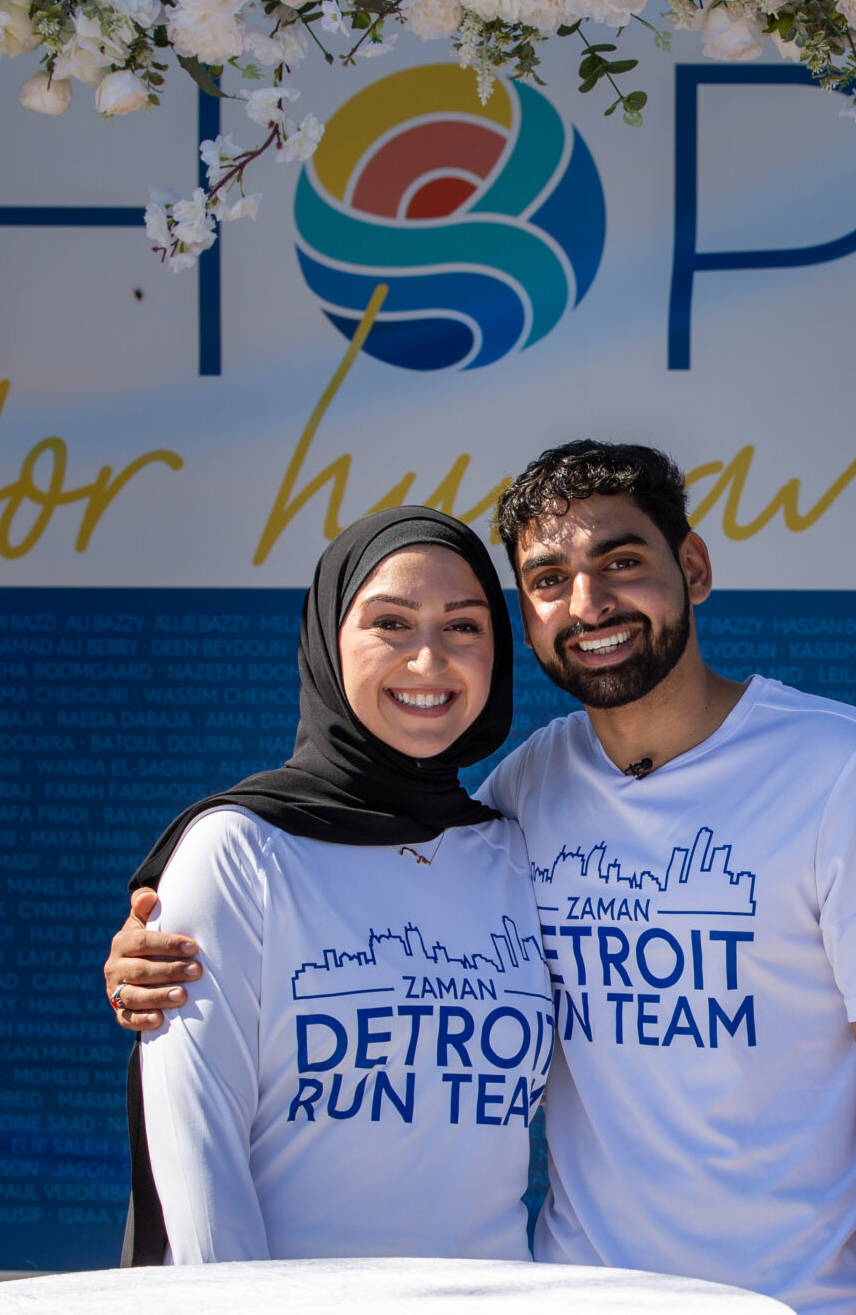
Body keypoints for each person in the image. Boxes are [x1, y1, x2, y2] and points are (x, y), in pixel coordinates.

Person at [106, 445, 856, 1315]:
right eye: (550, 580)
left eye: (623, 562)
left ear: (695, 567)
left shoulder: (851, 775)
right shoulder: (519, 797)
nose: (591, 604)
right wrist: (154, 965)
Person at [115, 507, 548, 1268]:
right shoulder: (240, 851)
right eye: (391, 622)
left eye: (463, 626)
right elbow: (197, 1165)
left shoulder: (515, 850)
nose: (428, 660)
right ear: (326, 641)